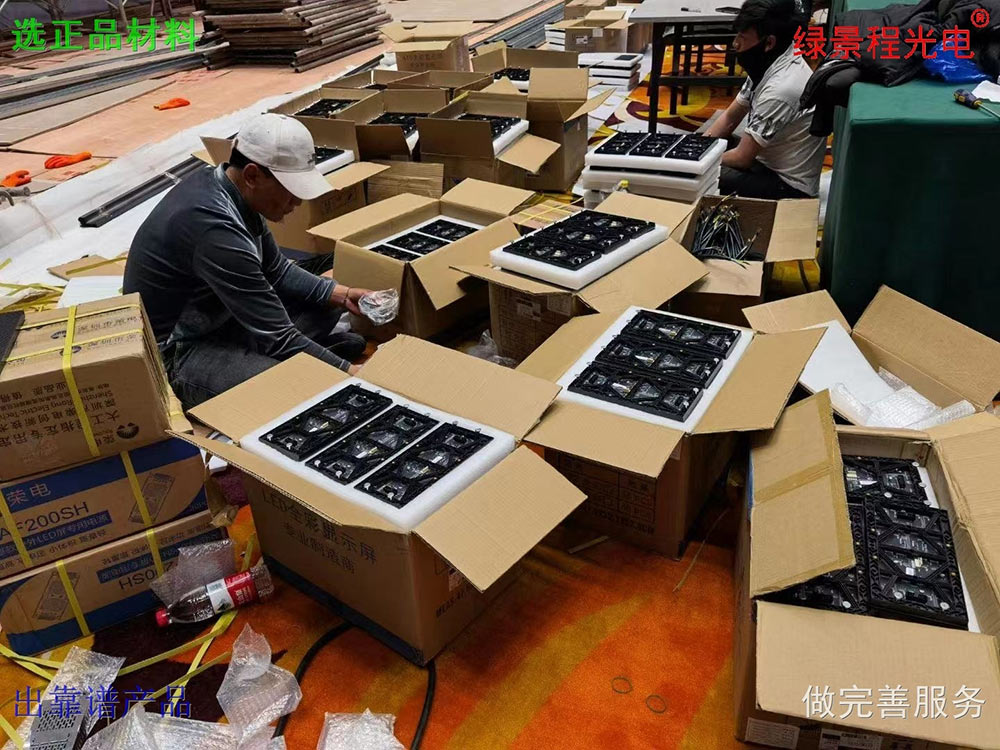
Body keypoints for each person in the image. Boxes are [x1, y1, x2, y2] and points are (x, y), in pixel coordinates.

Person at [124, 113, 371, 409]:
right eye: (291, 189)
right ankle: (297, 366)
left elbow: (277, 272)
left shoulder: (232, 189)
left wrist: (343, 295)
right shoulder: (213, 228)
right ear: (253, 175)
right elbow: (278, 336)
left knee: (328, 299)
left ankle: (297, 362)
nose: (298, 202)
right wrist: (352, 374)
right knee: (295, 393)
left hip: (224, 320)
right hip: (180, 353)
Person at [705, 0, 825, 199]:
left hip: (787, 186)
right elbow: (730, 118)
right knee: (705, 145)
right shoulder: (770, 60)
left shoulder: (781, 89)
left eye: (742, 38)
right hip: (764, 161)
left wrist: (696, 163)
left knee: (701, 177)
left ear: (769, 42)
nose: (735, 43)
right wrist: (697, 147)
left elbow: (742, 158)